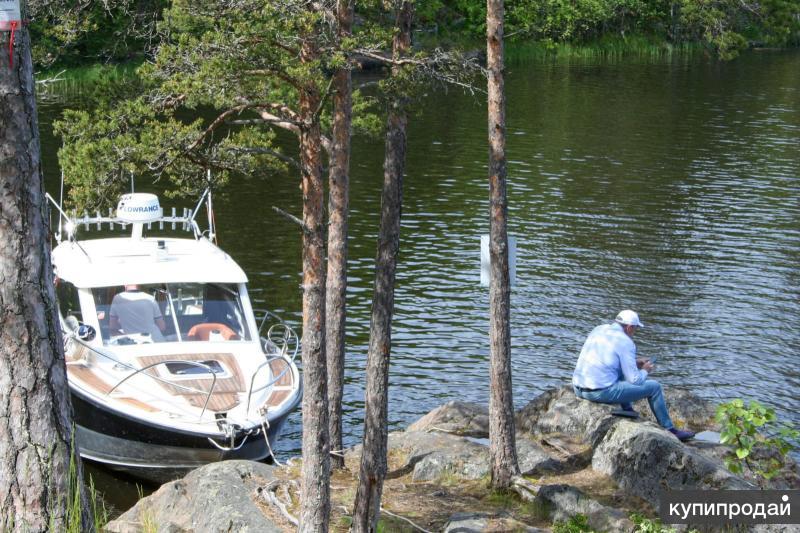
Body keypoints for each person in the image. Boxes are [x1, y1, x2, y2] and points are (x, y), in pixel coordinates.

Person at [572, 310, 695, 442]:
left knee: (620, 373)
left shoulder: (599, 329)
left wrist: (635, 363)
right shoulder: (625, 341)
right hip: (599, 392)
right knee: (654, 387)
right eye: (635, 328)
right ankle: (670, 430)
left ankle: (628, 409)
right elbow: (635, 380)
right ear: (630, 327)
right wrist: (645, 370)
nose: (635, 332)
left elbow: (607, 362)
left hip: (578, 389)